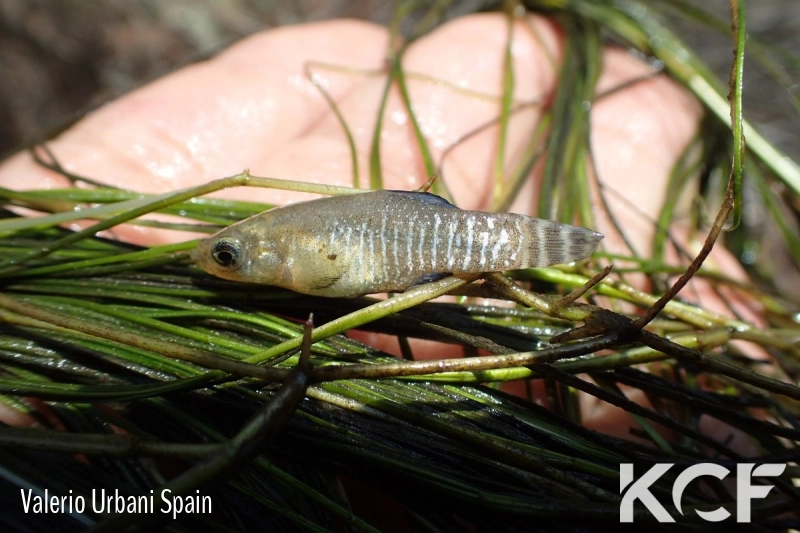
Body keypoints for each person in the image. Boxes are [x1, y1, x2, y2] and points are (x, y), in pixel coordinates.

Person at [0, 14, 762, 449]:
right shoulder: (284, 249)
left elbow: (334, 270)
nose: (224, 264)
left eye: (231, 258)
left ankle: (560, 244)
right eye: (228, 257)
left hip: (417, 241)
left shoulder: (293, 251)